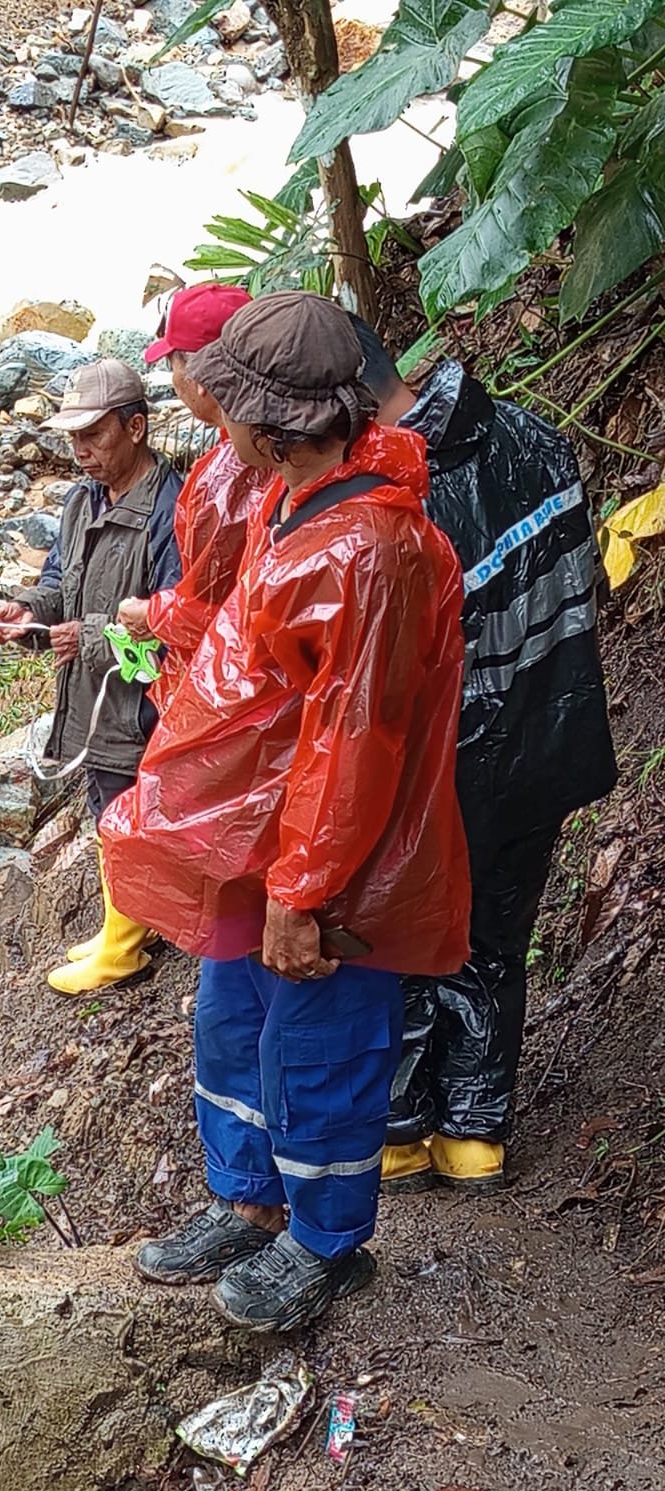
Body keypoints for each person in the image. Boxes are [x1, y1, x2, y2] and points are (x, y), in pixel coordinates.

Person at [101, 292, 470, 1332]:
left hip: (330, 856)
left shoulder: (369, 548)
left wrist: (305, 890)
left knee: (320, 1044)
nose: (218, 420)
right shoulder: (292, 500)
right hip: (263, 832)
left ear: (270, 427)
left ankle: (326, 1240)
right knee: (234, 1022)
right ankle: (250, 1199)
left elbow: (356, 740)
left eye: (230, 406)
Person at [349, 319, 618, 1193]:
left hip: (437, 761)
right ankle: (474, 1126)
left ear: (341, 398)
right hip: (542, 739)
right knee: (496, 929)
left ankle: (401, 1126)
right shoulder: (533, 438)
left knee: (398, 930)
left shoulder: (387, 487)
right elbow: (581, 593)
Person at [0, 357, 182, 996]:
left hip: (139, 709)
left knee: (127, 817)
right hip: (90, 700)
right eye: (73, 437)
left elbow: (179, 618)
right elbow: (57, 582)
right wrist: (30, 613)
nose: (80, 451)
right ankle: (128, 924)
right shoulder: (81, 501)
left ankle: (126, 946)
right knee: (105, 810)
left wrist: (88, 636)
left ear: (136, 427)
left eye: (93, 435)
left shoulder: (170, 511)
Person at [116, 283, 267, 709]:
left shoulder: (228, 477)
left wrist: (152, 615)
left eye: (173, 364)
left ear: (201, 378)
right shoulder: (285, 441)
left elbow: (218, 607)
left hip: (241, 694)